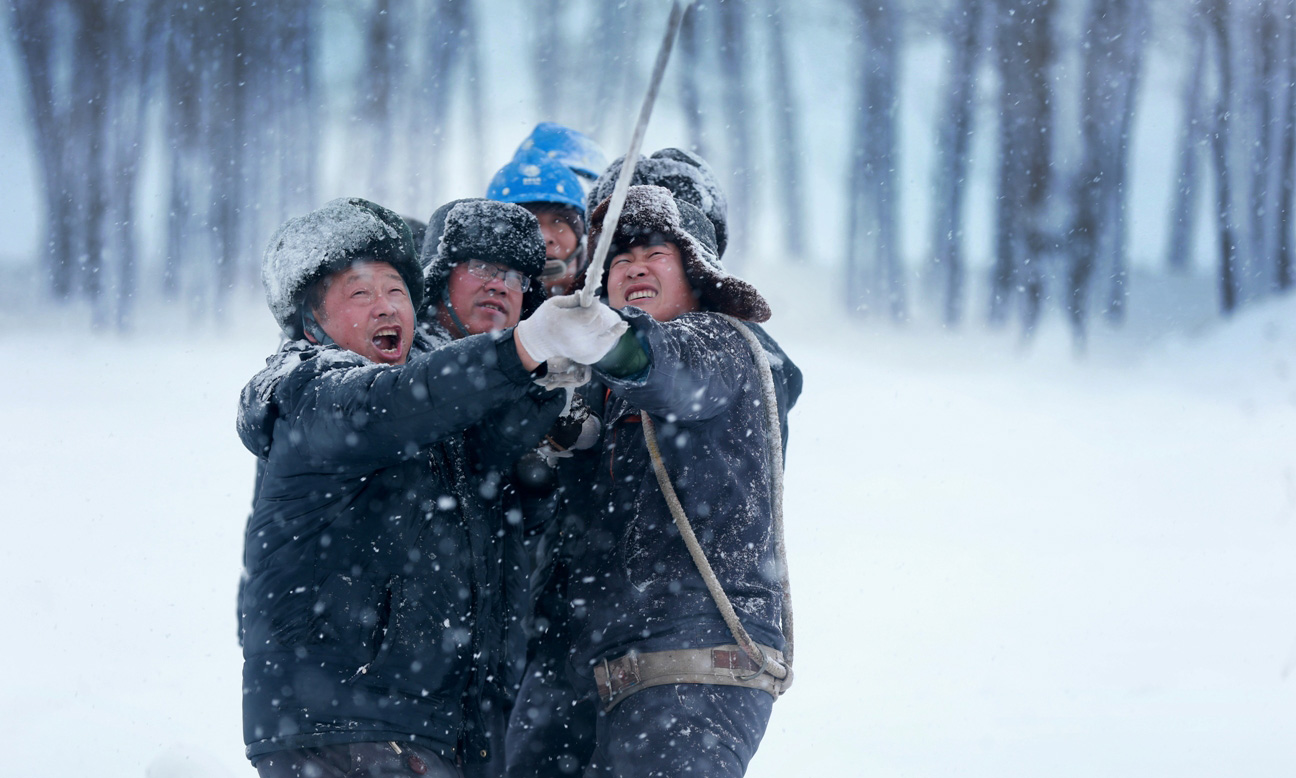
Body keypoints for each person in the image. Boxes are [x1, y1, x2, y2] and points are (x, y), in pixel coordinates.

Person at [237, 197, 627, 778]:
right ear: (311, 322)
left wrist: (549, 399)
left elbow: (487, 457)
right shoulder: (309, 392)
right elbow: (395, 404)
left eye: (396, 291)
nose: (385, 306)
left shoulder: (433, 421)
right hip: (347, 725)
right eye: (360, 293)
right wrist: (523, 347)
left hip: (424, 732)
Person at [506, 185, 802, 778]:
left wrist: (613, 343)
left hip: (696, 664)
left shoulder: (723, 342)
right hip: (614, 670)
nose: (634, 266)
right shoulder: (603, 391)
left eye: (656, 254)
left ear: (699, 275)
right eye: (618, 259)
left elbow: (668, 366)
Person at [486, 153, 590, 296]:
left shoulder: (614, 298)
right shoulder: (475, 306)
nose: (544, 238)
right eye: (525, 224)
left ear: (579, 233)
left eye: (558, 221)